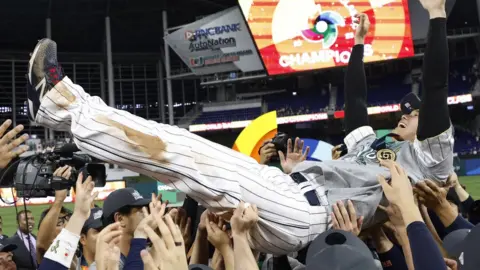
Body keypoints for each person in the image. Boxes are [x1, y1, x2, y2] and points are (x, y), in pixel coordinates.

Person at [24, 0, 451, 255]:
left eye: (412, 114)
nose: (404, 115)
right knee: (177, 159)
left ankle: (62, 103)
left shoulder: (429, 160)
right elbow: (355, 103)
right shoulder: (374, 146)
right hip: (288, 198)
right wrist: (357, 44)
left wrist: (434, 14)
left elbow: (435, 87)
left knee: (181, 153)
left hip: (305, 212)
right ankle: (61, 107)